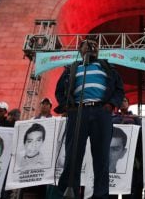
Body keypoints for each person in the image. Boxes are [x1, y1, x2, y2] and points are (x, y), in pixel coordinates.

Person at [52, 38, 124, 199]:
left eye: (96, 45)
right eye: (88, 44)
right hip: (78, 111)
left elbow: (119, 89)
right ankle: (69, 192)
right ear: (80, 49)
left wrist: (111, 105)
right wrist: (67, 107)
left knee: (101, 157)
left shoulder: (107, 67)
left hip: (101, 112)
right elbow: (60, 90)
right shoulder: (72, 68)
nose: (93, 46)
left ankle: (101, 195)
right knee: (73, 155)